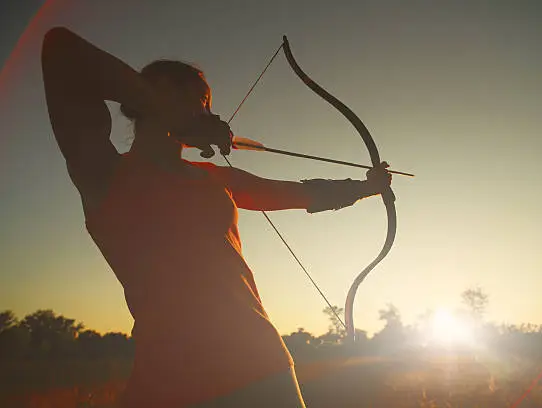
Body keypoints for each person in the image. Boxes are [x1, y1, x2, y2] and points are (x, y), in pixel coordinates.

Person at [41, 27, 392, 408]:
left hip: (261, 366)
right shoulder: (102, 171)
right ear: (150, 93)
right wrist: (170, 114)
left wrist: (364, 187)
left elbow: (297, 192)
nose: (208, 114)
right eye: (196, 100)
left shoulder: (212, 178)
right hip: (167, 380)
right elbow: (61, 50)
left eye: (207, 104)